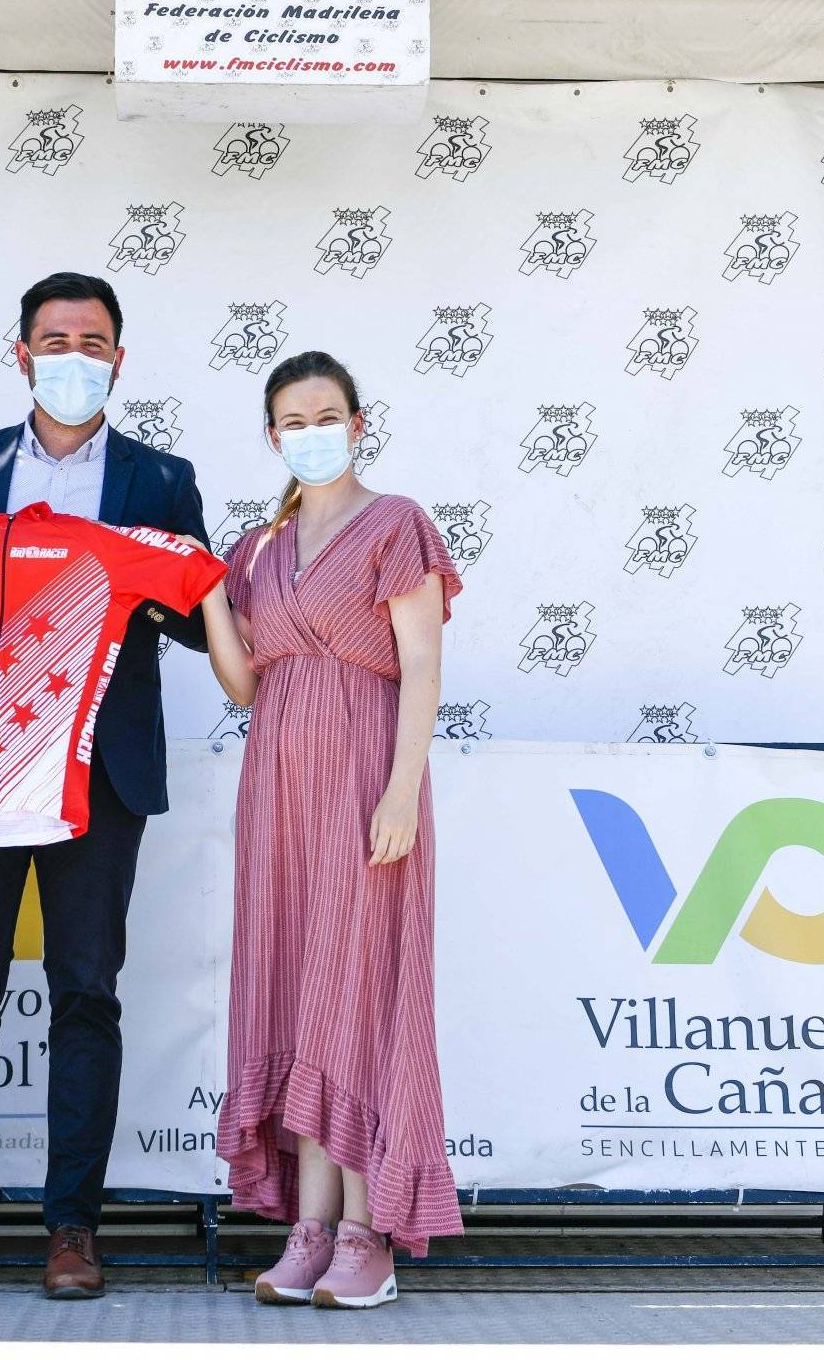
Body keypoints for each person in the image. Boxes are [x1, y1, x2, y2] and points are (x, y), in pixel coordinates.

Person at [0, 271, 212, 1302]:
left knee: (85, 994)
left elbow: (201, 617)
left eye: (94, 341)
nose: (74, 355)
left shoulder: (162, 477)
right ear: (19, 353)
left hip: (98, 772)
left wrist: (121, 592)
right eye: (55, 339)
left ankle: (73, 1227)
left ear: (120, 357)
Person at [192, 350, 464, 1310]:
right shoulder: (257, 547)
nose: (311, 430)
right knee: (297, 992)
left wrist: (401, 790)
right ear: (272, 436)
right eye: (291, 419)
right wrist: (212, 597)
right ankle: (308, 1231)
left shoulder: (397, 522)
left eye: (327, 413)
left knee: (360, 990)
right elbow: (244, 680)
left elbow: (422, 666)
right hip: (277, 786)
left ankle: (368, 1233)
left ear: (357, 419)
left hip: (363, 776)